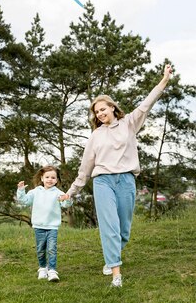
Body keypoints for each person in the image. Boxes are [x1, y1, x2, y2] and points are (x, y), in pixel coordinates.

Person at [60, 64, 173, 288]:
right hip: (103, 182)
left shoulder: (129, 124)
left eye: (103, 109)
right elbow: (85, 168)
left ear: (112, 107)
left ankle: (111, 256)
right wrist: (71, 191)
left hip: (126, 181)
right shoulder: (95, 136)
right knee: (109, 226)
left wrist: (164, 81)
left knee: (124, 230)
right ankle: (116, 273)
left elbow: (146, 104)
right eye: (96, 112)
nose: (100, 114)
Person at [17, 165, 72, 282]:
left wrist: (67, 198)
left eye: (53, 177)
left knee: (52, 249)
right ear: (42, 178)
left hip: (52, 226)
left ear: (56, 180)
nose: (50, 179)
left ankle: (52, 271)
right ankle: (42, 268)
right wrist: (21, 190)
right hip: (39, 226)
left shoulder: (58, 193)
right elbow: (23, 201)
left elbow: (65, 205)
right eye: (47, 177)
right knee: (40, 249)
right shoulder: (35, 192)